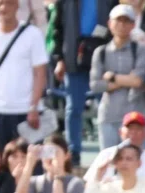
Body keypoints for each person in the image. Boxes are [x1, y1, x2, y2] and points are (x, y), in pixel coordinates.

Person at [51, 0, 116, 166]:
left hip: (104, 58)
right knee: (73, 108)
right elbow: (57, 31)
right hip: (74, 56)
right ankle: (74, 152)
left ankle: (109, 152)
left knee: (107, 106)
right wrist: (59, 59)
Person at [0, 0, 48, 146]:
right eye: (0, 3)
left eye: (8, 3)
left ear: (16, 6)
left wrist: (33, 107)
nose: (3, 8)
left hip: (27, 113)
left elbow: (40, 73)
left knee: (31, 163)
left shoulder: (33, 34)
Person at [91, 5, 145, 150]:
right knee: (109, 163)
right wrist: (126, 80)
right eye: (118, 21)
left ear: (133, 25)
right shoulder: (101, 52)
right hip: (108, 116)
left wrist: (112, 77)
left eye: (126, 21)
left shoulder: (141, 49)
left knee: (136, 162)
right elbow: (95, 85)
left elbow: (138, 80)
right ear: (110, 23)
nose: (122, 25)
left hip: (135, 117)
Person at [85, 111, 145, 184]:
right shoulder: (106, 155)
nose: (133, 132)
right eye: (130, 128)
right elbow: (88, 186)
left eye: (138, 129)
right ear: (120, 132)